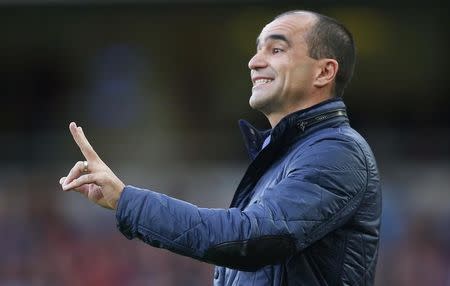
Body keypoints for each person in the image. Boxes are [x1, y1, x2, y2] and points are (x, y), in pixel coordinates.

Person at [60, 10, 381, 285]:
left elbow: (248, 239)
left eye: (277, 50)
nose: (254, 62)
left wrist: (127, 201)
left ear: (324, 72)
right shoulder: (286, 155)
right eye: (258, 51)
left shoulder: (337, 151)